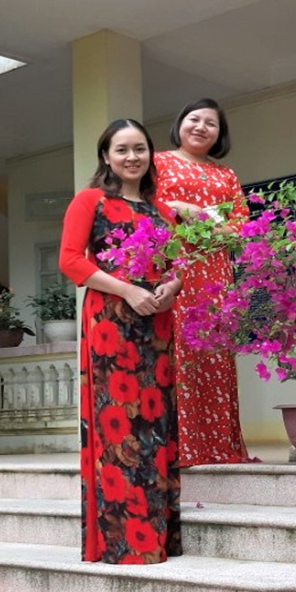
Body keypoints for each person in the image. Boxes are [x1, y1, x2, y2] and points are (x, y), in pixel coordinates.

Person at [59, 118, 182, 564]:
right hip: (111, 321)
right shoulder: (90, 200)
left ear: (151, 154)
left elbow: (177, 264)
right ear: (106, 156)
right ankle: (124, 542)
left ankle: (158, 536)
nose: (132, 157)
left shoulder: (162, 210)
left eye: (140, 149)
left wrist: (172, 287)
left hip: (157, 323)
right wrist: (128, 290)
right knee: (120, 420)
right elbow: (70, 261)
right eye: (122, 149)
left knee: (156, 421)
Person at [155, 97, 252, 467]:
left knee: (213, 357)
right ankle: (177, 447)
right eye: (194, 119)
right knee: (175, 354)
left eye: (211, 123)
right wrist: (178, 208)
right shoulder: (158, 163)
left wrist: (206, 224)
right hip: (173, 269)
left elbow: (241, 226)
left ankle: (217, 446)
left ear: (219, 134)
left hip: (214, 274)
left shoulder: (225, 176)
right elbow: (142, 206)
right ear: (180, 123)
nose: (201, 127)